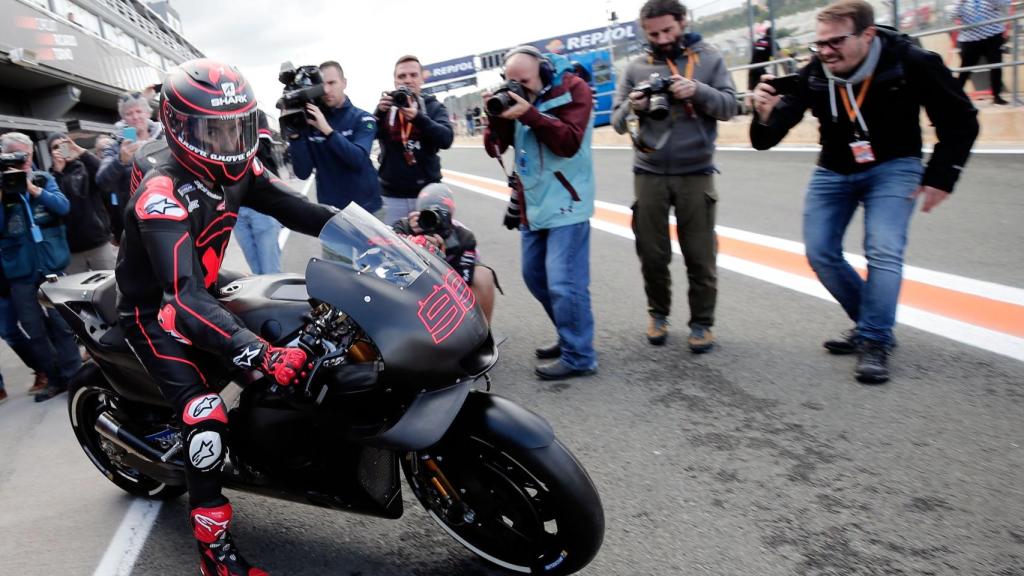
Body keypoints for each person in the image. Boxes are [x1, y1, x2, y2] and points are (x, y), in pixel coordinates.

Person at [115, 59, 338, 575]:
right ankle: (213, 555)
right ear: (177, 126)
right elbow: (182, 299)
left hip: (206, 284)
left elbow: (300, 210)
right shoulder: (160, 194)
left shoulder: (241, 164)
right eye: (211, 131)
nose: (228, 142)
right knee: (205, 413)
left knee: (303, 325)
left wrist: (382, 240)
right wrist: (258, 353)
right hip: (156, 310)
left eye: (237, 126)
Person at [750, 0, 979, 384]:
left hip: (895, 166)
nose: (825, 52)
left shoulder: (910, 61)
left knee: (883, 248)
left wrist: (942, 177)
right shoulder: (815, 71)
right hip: (833, 169)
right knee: (820, 252)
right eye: (820, 43)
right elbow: (766, 139)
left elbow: (961, 119)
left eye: (835, 42)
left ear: (867, 34)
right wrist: (763, 113)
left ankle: (874, 338)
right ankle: (871, 322)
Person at [611, 0, 737, 352]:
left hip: (696, 172)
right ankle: (658, 314)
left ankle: (702, 323)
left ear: (683, 22)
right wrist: (633, 106)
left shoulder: (709, 59)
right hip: (648, 172)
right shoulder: (635, 67)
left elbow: (730, 107)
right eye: (653, 34)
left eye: (668, 30)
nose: (662, 39)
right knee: (651, 255)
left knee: (700, 255)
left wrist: (697, 90)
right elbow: (617, 122)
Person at [484, 45, 598, 381]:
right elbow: (494, 148)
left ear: (544, 71)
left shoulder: (573, 88)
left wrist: (530, 114)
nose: (518, 87)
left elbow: (569, 142)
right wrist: (495, 117)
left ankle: (580, 355)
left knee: (564, 282)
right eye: (511, 81)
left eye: (525, 81)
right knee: (535, 276)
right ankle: (569, 335)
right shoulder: (515, 98)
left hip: (567, 202)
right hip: (532, 204)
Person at [0, 132, 82, 402]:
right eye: (14, 157)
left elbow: (63, 207)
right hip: (20, 271)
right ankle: (54, 378)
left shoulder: (43, 179)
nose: (22, 162)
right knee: (34, 330)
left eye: (25, 156)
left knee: (62, 324)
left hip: (51, 265)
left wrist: (33, 190)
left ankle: (74, 377)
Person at [288, 61, 384, 219]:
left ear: (344, 83)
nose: (326, 90)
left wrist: (327, 131)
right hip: (332, 215)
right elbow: (303, 173)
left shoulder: (363, 118)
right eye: (322, 85)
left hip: (369, 211)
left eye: (332, 83)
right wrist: (295, 136)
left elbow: (358, 159)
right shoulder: (310, 123)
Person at [391, 183, 497, 323]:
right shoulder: (404, 226)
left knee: (483, 276)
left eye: (439, 215)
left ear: (450, 216)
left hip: (448, 284)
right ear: (418, 212)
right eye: (427, 214)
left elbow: (462, 287)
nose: (432, 221)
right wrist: (412, 243)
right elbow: (388, 263)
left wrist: (440, 258)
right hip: (410, 284)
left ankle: (482, 331)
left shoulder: (464, 237)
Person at [375, 55, 454, 224]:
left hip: (428, 193)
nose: (407, 80)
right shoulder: (386, 107)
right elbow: (368, 135)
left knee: (433, 240)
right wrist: (378, 114)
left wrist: (419, 118)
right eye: (401, 76)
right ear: (395, 81)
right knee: (393, 240)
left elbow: (446, 139)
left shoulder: (433, 106)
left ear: (421, 79)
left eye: (413, 75)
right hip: (392, 195)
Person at [97, 90, 164, 244]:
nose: (135, 117)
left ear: (148, 113)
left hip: (169, 213)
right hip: (136, 223)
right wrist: (120, 161)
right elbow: (102, 181)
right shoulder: (116, 146)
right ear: (124, 118)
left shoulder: (164, 138)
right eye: (129, 113)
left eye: (139, 111)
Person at [47, 132, 116, 273]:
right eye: (55, 147)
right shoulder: (50, 178)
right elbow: (57, 205)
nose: (60, 149)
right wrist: (58, 173)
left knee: (113, 282)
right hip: (72, 248)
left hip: (98, 242)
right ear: (50, 153)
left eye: (63, 145)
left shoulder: (85, 167)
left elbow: (105, 174)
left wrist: (81, 152)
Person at [235, 112, 283, 275]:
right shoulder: (214, 116)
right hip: (236, 206)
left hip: (262, 203)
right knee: (256, 272)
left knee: (270, 271)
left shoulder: (255, 114)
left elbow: (261, 149)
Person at [952, 0, 1010, 105]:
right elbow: (951, 16)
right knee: (965, 69)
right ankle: (955, 97)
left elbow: (1004, 4)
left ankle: (996, 96)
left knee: (996, 66)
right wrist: (960, 2)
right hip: (970, 39)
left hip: (993, 35)